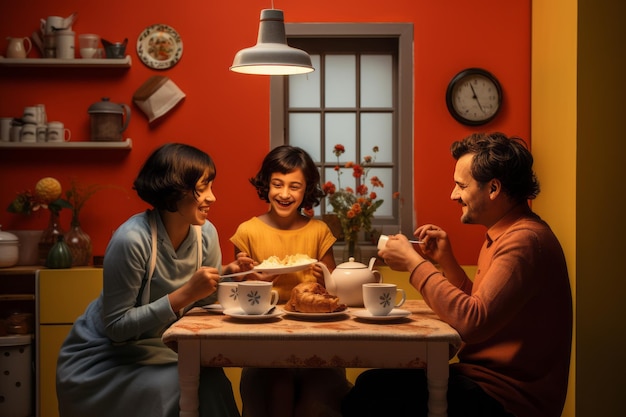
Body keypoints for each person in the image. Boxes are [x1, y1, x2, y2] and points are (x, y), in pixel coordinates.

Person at [341, 132, 573, 417]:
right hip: (482, 381)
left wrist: (415, 264)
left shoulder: (524, 242)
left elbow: (472, 323)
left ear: (494, 188)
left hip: (507, 399)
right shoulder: (506, 235)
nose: (453, 195)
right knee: (372, 383)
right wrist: (446, 262)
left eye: (461, 185)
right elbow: (483, 310)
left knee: (371, 392)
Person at [56, 143, 254, 417]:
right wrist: (184, 294)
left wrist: (230, 277)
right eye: (203, 188)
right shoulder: (131, 239)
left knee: (213, 381)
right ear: (174, 191)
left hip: (165, 348)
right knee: (190, 388)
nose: (212, 198)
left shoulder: (205, 233)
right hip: (108, 358)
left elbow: (203, 301)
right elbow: (116, 327)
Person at [230, 145, 351, 417]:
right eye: (277, 184)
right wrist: (251, 280)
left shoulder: (319, 231)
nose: (285, 194)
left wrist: (327, 279)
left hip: (318, 344)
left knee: (314, 405)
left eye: (294, 186)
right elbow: (236, 295)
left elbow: (334, 297)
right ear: (266, 185)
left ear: (306, 189)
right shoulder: (247, 232)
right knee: (277, 393)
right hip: (263, 346)